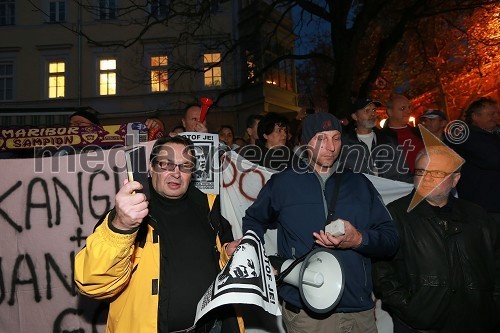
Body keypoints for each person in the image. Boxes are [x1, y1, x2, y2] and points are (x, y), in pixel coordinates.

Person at [242, 112, 399, 333]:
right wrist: (257, 259)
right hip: (307, 313)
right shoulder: (283, 183)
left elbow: (391, 238)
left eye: (336, 138)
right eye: (321, 138)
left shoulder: (360, 184)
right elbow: (253, 220)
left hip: (358, 309)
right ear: (306, 142)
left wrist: (359, 240)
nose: (331, 146)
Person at [75, 135, 242, 333]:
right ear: (151, 167)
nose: (176, 173)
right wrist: (122, 225)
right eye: (166, 164)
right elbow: (92, 283)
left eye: (185, 166)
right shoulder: (129, 215)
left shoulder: (208, 208)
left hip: (212, 327)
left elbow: (217, 261)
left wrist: (227, 253)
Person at [373, 145, 500, 332]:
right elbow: (382, 271)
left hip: (476, 322)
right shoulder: (393, 214)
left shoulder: (478, 216)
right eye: (421, 171)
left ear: (455, 179)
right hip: (419, 325)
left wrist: (493, 305)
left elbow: (496, 265)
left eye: (437, 172)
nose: (427, 178)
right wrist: (411, 309)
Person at [446, 96, 500, 224]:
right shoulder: (465, 136)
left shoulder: (496, 133)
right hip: (484, 205)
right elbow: (493, 159)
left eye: (497, 113)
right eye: (491, 114)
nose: (495, 116)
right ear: (475, 116)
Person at [340, 97, 412, 182]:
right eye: (367, 111)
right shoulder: (344, 143)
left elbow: (403, 173)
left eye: (374, 110)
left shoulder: (388, 141)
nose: (372, 114)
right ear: (355, 116)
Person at [380, 94, 424, 173]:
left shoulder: (420, 133)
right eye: (403, 108)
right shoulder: (380, 138)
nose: (409, 111)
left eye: (409, 107)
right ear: (390, 112)